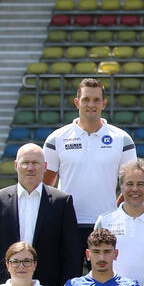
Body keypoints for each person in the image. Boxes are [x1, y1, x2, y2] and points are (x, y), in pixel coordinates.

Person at [0, 143, 82, 286]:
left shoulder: (62, 202)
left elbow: (72, 255)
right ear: (16, 165)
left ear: (45, 166)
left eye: (35, 163)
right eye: (25, 162)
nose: (30, 168)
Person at [43, 77, 138, 245]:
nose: (91, 104)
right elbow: (45, 186)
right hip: (67, 223)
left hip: (107, 225)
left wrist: (114, 212)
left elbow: (132, 183)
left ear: (104, 103)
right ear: (76, 102)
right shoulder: (56, 139)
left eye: (96, 100)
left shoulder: (122, 139)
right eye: (86, 99)